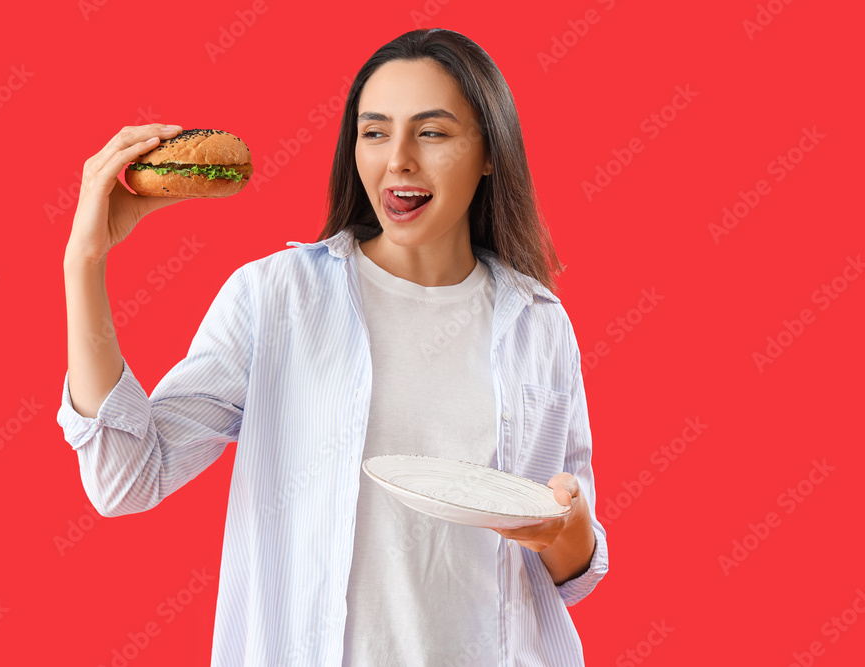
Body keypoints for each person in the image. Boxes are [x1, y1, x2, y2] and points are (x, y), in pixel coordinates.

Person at [58, 28, 608, 667]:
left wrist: (565, 531)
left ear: (490, 152)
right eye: (374, 132)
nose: (397, 159)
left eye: (431, 132)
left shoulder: (537, 321)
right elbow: (126, 479)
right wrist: (85, 262)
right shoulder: (278, 299)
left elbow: (576, 569)